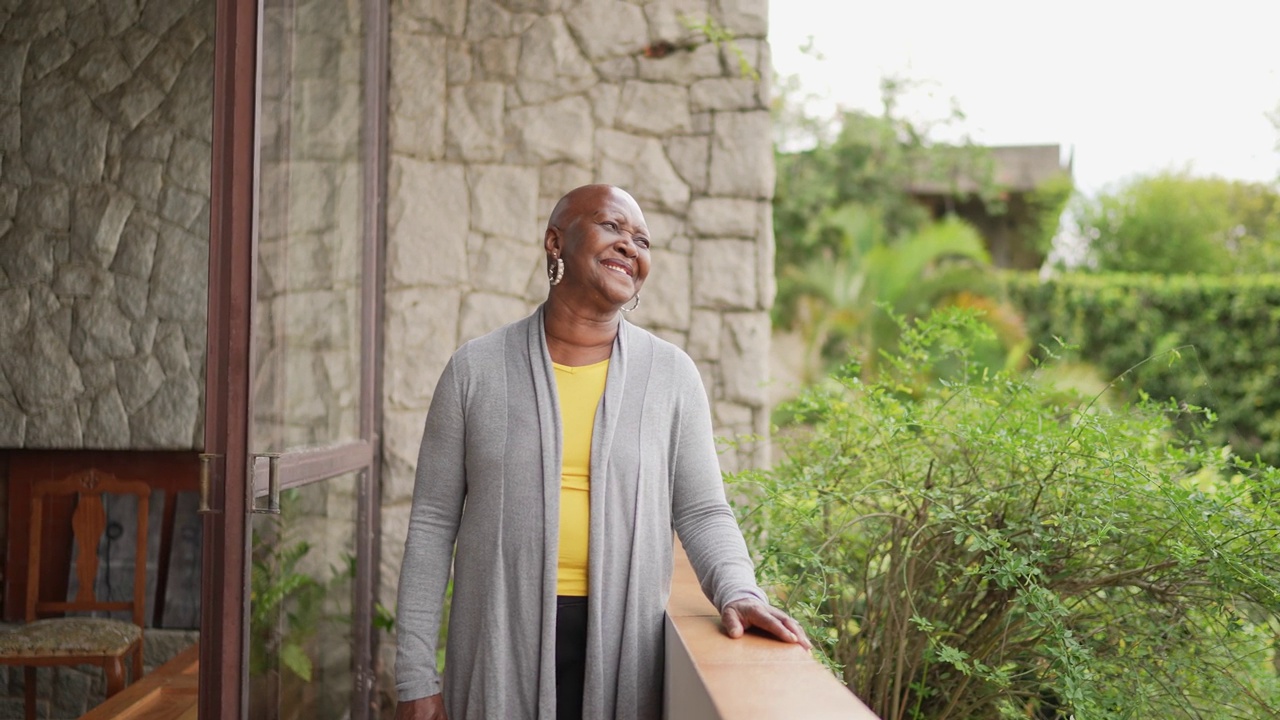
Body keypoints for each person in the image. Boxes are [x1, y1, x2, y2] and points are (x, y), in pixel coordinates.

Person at [394, 184, 810, 720]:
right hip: (499, 637)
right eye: (611, 227)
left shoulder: (671, 375)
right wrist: (414, 677)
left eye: (641, 239)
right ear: (555, 242)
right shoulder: (475, 370)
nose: (630, 246)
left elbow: (704, 510)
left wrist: (739, 591)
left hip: (625, 646)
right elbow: (432, 523)